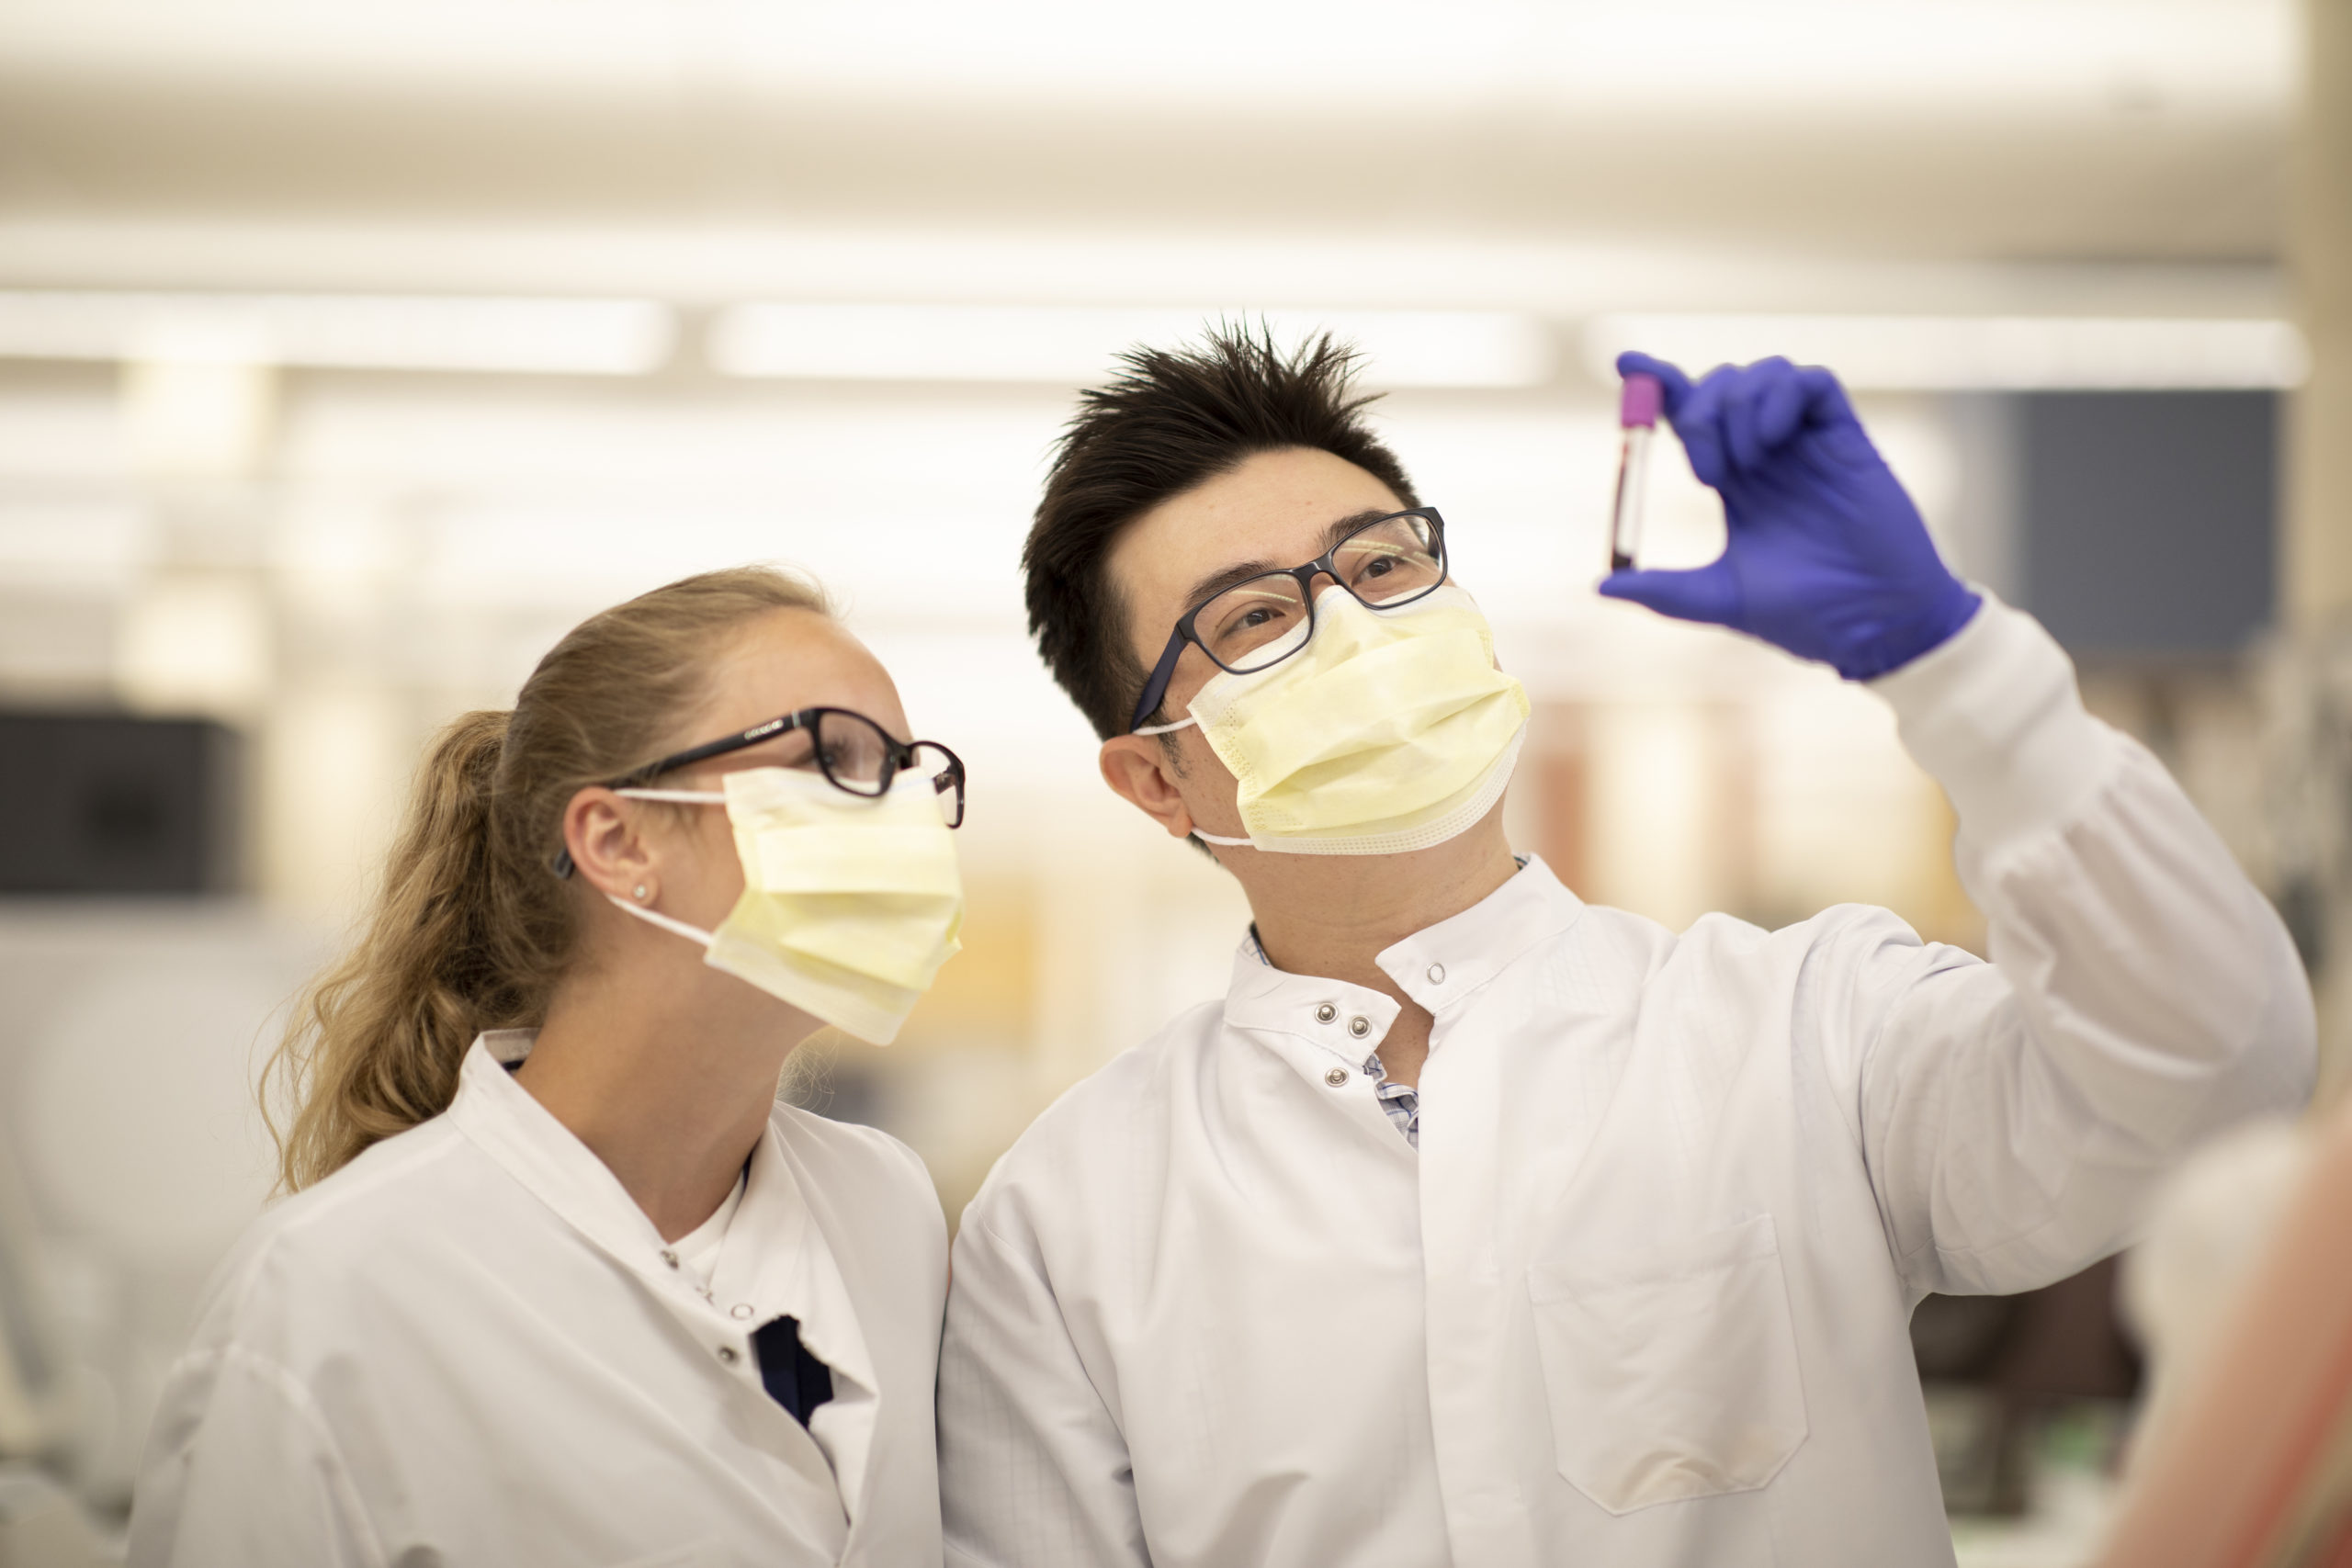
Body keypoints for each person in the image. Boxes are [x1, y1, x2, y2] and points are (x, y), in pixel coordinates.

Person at [935, 329, 2317, 1568]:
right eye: (1253, 616)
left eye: (1381, 564)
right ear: (1158, 783)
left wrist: (1951, 663)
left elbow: (2213, 1065)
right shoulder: (1069, 1218)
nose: (1353, 628)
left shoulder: (1802, 1028)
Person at [128, 567, 967, 1567]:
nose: (899, 815)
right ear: (616, 840)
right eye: (829, 758)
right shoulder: (331, 1293)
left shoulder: (884, 1205)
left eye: (907, 769)